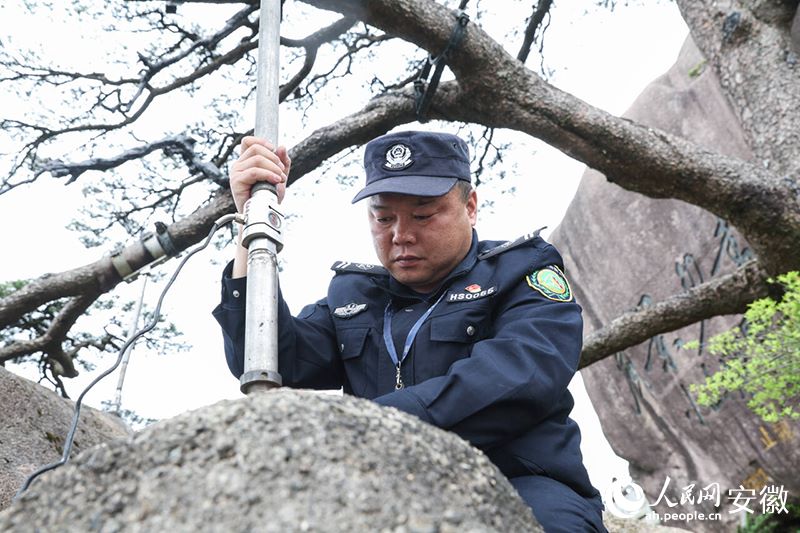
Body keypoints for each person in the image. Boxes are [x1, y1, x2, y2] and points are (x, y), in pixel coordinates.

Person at [213, 130, 607, 532]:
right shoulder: (353, 293)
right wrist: (252, 221)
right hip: (381, 488)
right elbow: (269, 359)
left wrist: (365, 426)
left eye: (422, 215)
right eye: (383, 218)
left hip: (521, 480)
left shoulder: (521, 272)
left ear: (469, 207)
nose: (401, 235)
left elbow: (519, 377)